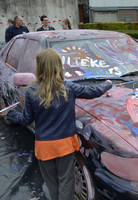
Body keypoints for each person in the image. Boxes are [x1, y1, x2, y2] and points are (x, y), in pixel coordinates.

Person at [1, 48, 112, 200]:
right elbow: (93, 91)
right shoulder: (68, 87)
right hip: (65, 144)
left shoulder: (32, 91)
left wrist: (10, 114)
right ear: (59, 66)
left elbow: (26, 120)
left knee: (52, 184)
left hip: (44, 147)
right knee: (66, 182)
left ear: (39, 67)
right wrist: (108, 84)